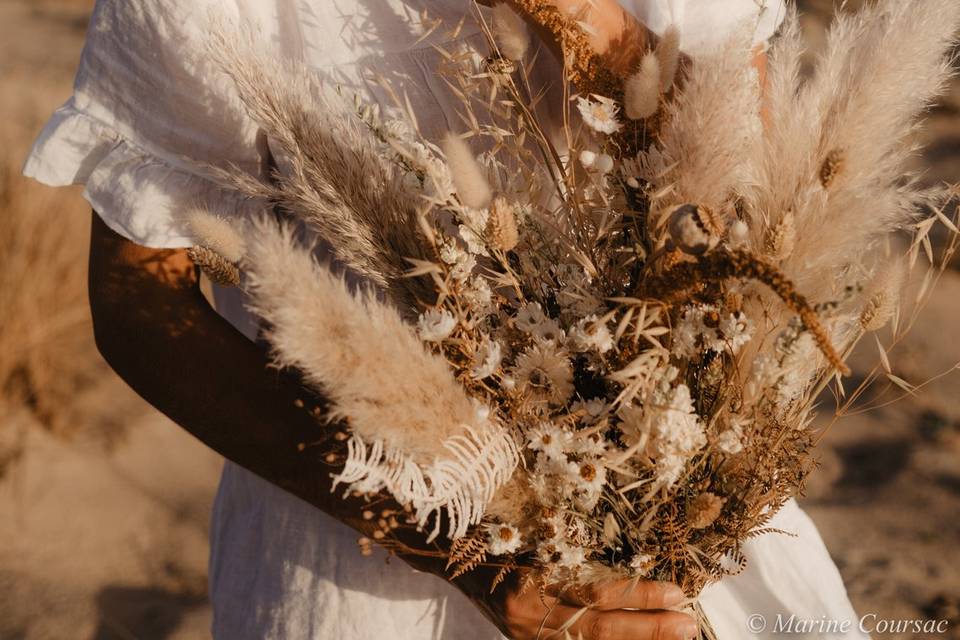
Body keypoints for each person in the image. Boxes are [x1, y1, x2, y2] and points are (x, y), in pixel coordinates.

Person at [23, 0, 868, 638]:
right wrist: (473, 551)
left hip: (685, 536)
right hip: (361, 562)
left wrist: (598, 30)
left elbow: (768, 223)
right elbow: (139, 301)